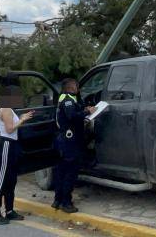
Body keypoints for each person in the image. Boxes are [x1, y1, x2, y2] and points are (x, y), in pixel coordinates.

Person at [52, 78, 96, 213]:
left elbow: (73, 113)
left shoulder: (65, 98)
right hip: (69, 142)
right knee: (70, 173)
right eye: (77, 87)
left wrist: (84, 109)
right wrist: (88, 112)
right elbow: (72, 116)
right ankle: (66, 202)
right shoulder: (68, 100)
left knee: (61, 171)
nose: (78, 89)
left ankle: (58, 200)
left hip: (64, 141)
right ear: (71, 88)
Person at [0, 96, 34, 225]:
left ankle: (9, 211)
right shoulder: (6, 109)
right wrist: (22, 119)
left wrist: (22, 117)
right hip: (6, 145)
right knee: (2, 179)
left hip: (12, 145)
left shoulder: (10, 110)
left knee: (11, 179)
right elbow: (9, 129)